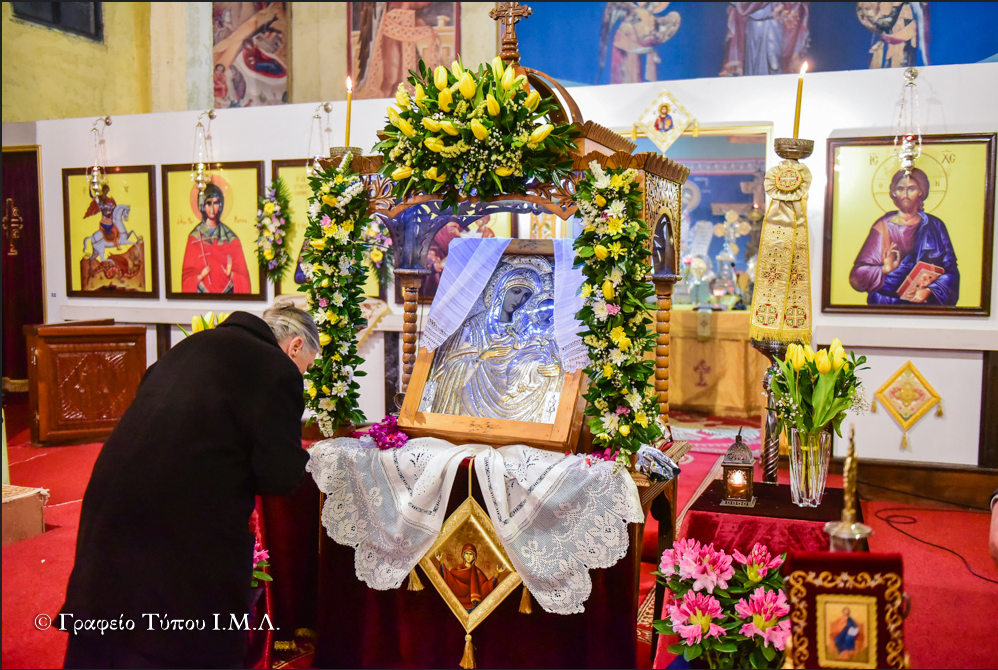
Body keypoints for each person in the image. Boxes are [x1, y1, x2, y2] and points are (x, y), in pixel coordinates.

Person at [61, 304, 319, 669]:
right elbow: (280, 475)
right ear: (295, 347)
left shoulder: (190, 347)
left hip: (107, 516)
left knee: (110, 637)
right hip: (179, 537)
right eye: (306, 367)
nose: (302, 373)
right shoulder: (277, 369)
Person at [848, 168, 959, 306]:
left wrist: (930, 290)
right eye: (900, 189)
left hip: (924, 305)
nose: (905, 195)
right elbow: (857, 277)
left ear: (921, 192)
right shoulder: (882, 227)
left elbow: (951, 271)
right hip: (886, 304)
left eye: (911, 189)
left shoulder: (935, 225)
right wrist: (885, 269)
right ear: (894, 192)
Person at [181, 183, 252, 294]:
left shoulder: (231, 238)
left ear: (221, 205)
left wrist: (231, 274)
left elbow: (243, 278)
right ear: (202, 206)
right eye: (208, 203)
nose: (212, 209)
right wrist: (200, 276)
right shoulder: (194, 238)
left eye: (216, 203)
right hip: (201, 295)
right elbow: (187, 277)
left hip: (228, 294)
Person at [435, 543, 504, 612]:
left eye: (471, 554)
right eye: (467, 554)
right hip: (456, 603)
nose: (468, 556)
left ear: (474, 557)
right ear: (463, 555)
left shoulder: (477, 572)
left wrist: (497, 573)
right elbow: (448, 578)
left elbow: (486, 587)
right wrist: (441, 561)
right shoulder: (458, 569)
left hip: (472, 606)